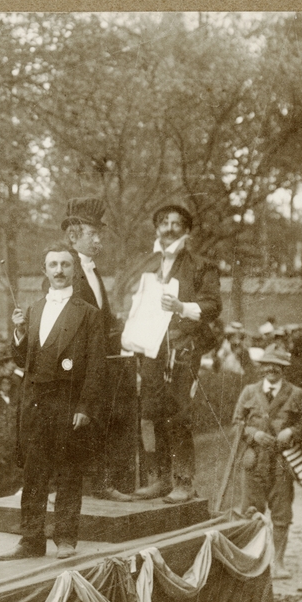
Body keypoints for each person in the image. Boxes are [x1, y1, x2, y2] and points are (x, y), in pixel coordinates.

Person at [0, 245, 106, 561]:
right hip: (35, 403)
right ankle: (31, 540)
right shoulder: (32, 310)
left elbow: (97, 365)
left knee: (68, 471)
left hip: (68, 402)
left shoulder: (88, 313)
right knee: (34, 473)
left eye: (65, 265)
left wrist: (85, 406)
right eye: (53, 265)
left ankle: (65, 538)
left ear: (74, 270)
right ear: (44, 271)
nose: (59, 271)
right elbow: (23, 360)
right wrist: (19, 332)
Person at [117, 204, 221, 503]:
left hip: (182, 346)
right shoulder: (145, 264)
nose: (170, 228)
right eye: (164, 222)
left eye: (177, 223)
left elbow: (214, 305)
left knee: (178, 412)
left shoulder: (201, 266)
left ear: (187, 230)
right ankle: (158, 478)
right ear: (156, 229)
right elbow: (126, 296)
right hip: (149, 347)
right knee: (150, 412)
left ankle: (184, 481)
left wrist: (183, 308)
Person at [56, 197, 133, 503]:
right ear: (74, 235)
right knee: (71, 424)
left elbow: (100, 316)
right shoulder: (64, 270)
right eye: (93, 233)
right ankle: (65, 489)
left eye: (101, 233)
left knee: (98, 420)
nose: (100, 239)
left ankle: (99, 484)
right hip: (74, 363)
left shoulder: (92, 270)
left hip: (98, 360)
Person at [231, 346, 302, 579]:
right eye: (267, 364)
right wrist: (252, 434)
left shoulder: (296, 394)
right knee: (250, 512)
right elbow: (236, 423)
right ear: (261, 367)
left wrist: (292, 432)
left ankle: (278, 563)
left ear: (284, 368)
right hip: (254, 461)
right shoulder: (249, 392)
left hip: (282, 462)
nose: (272, 369)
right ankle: (252, 562)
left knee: (281, 515)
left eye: (277, 365)